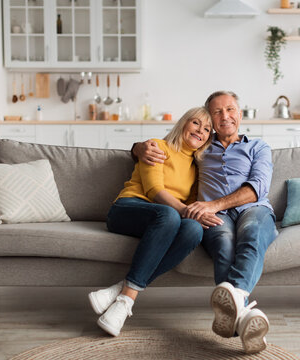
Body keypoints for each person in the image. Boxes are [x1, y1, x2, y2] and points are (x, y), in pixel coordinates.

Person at [133, 91, 277, 354]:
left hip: (252, 209)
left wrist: (213, 204)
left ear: (240, 114)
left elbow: (257, 188)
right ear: (209, 119)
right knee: (223, 243)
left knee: (252, 233)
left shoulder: (258, 147)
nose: (225, 116)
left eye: (230, 109)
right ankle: (244, 319)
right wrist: (139, 147)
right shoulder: (199, 148)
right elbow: (168, 147)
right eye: (217, 112)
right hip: (215, 218)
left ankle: (237, 302)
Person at [88, 107, 214, 337]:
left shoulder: (196, 169)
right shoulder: (157, 146)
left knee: (194, 229)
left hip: (164, 222)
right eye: (196, 123)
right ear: (183, 123)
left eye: (206, 129)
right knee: (169, 215)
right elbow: (154, 190)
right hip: (127, 209)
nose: (200, 131)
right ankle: (126, 301)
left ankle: (121, 291)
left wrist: (198, 215)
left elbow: (191, 205)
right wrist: (185, 210)